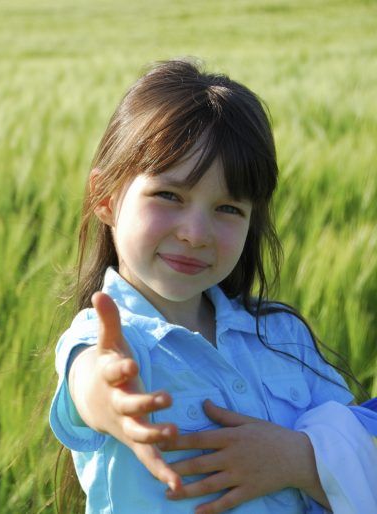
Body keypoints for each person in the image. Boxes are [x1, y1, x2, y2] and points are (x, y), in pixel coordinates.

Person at [48, 59, 376, 514]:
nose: (196, 232)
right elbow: (87, 380)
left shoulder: (281, 336)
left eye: (228, 208)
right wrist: (110, 398)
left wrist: (298, 460)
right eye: (169, 196)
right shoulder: (112, 341)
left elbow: (363, 442)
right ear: (105, 198)